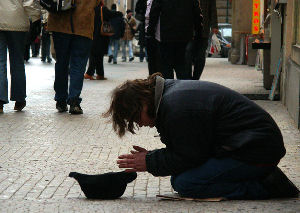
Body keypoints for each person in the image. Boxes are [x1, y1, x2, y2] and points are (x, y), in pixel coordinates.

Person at [104, 73, 299, 200]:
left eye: (136, 117)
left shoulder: (176, 108)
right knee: (181, 177)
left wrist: (150, 161)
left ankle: (267, 186)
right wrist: (152, 157)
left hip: (256, 151)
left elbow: (191, 155)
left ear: (142, 101)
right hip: (248, 144)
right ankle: (261, 176)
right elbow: (190, 146)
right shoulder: (168, 97)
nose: (140, 124)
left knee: (186, 183)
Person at [47, 0, 100, 114]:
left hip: (60, 22)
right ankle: (74, 101)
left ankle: (61, 100)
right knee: (78, 64)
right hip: (83, 23)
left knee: (61, 63)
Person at [0, 0, 41, 113]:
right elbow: (28, 2)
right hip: (16, 22)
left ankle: (0, 99)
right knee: (17, 61)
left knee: (0, 61)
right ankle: (19, 98)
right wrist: (36, 18)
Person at [147, 0, 203, 80]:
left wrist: (151, 31)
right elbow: (197, 13)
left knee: (166, 67)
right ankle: (183, 89)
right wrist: (198, 32)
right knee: (182, 66)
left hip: (166, 35)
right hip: (184, 35)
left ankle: (169, 89)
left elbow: (154, 12)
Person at [84, 1, 123, 80]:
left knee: (96, 55)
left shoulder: (90, 9)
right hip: (100, 36)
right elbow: (112, 14)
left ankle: (100, 74)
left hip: (92, 35)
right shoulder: (102, 9)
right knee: (96, 55)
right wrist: (120, 13)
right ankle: (89, 73)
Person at [186, 0, 218, 80]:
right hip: (188, 30)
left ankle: (196, 78)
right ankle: (188, 78)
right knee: (187, 54)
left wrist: (214, 25)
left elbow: (213, 10)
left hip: (203, 30)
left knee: (200, 56)